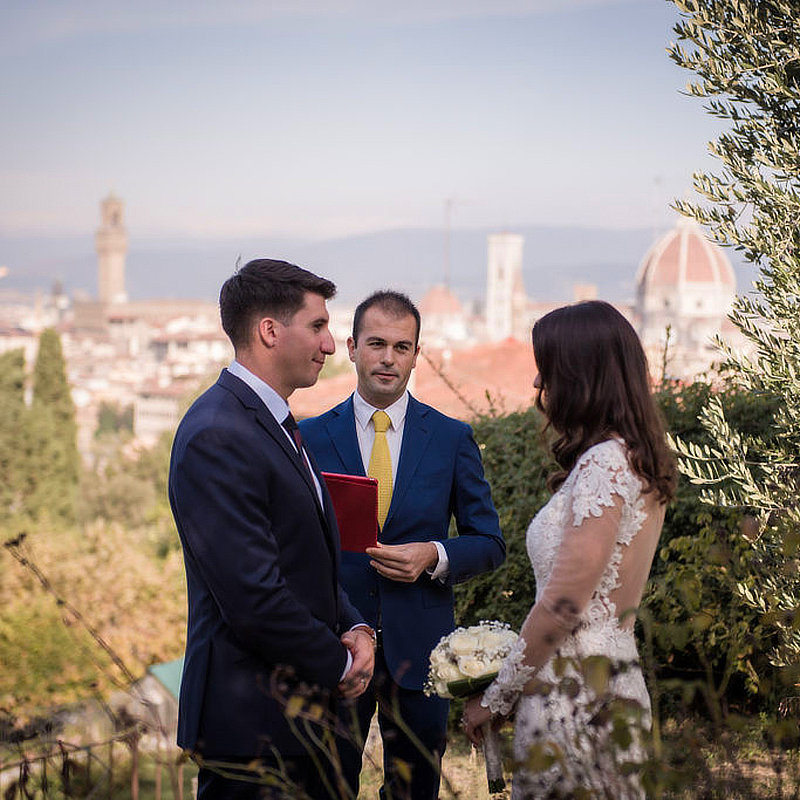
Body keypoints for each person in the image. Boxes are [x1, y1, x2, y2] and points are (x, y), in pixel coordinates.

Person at [168, 259, 376, 800]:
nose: (331, 345)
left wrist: (355, 627)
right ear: (268, 331)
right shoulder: (219, 433)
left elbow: (306, 561)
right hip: (254, 729)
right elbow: (253, 597)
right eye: (318, 326)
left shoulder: (275, 423)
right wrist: (339, 664)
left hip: (298, 725)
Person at [463, 299, 677, 799]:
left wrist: (496, 698)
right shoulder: (634, 459)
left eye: (547, 371)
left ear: (582, 376)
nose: (538, 386)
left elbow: (562, 606)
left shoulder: (604, 464)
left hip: (577, 694)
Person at [300, 290, 506, 799]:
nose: (388, 358)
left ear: (417, 354)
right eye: (376, 344)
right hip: (338, 649)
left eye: (401, 346)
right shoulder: (308, 436)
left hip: (423, 653)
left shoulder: (453, 438)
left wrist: (435, 555)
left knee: (415, 792)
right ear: (350, 348)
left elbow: (489, 543)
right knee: (326, 787)